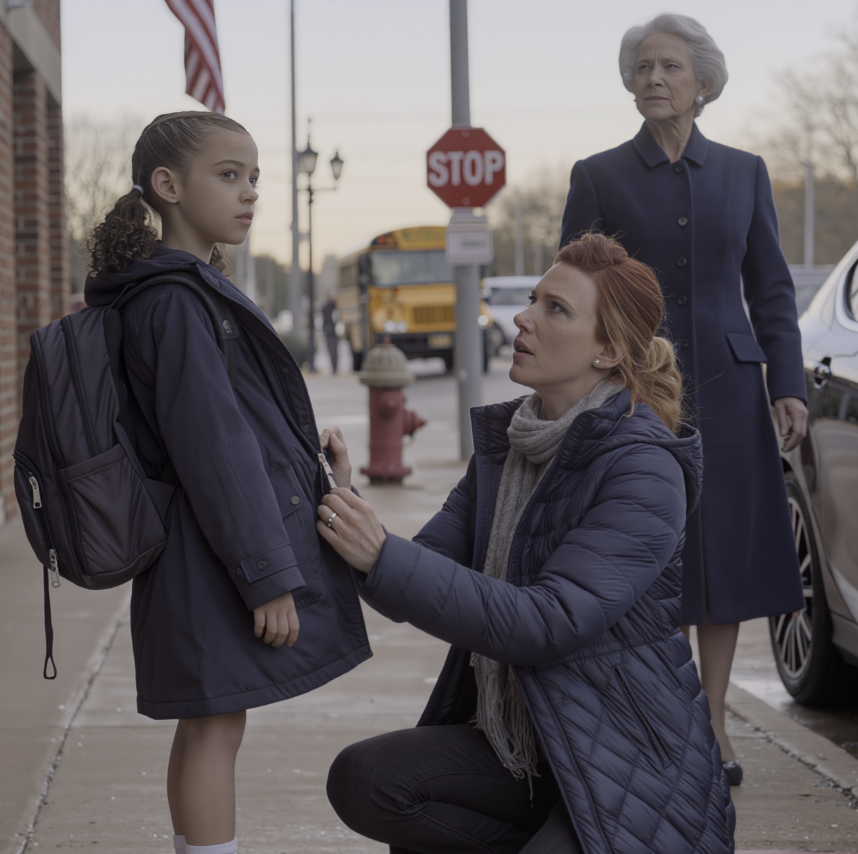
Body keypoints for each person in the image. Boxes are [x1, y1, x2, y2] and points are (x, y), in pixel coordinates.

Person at [316, 233, 735, 854]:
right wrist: (345, 510)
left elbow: (547, 622)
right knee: (366, 780)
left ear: (609, 351)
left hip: (628, 759)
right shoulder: (514, 442)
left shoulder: (644, 469)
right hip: (532, 741)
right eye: (533, 299)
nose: (523, 317)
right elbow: (416, 575)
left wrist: (381, 553)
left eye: (554, 309)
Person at [83, 111, 370, 854]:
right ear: (167, 185)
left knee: (210, 722)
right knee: (214, 727)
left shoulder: (176, 290)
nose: (249, 194)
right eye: (229, 175)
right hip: (209, 554)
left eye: (254, 178)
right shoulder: (176, 301)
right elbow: (214, 449)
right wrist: (266, 577)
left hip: (197, 547)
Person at [558, 13, 808, 786]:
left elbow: (770, 288)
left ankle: (713, 722)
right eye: (642, 68)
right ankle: (653, 718)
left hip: (732, 394)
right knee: (647, 548)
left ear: (703, 83)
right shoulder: (597, 175)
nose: (653, 79)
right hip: (635, 390)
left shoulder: (745, 171)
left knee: (723, 556)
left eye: (668, 67)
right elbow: (571, 287)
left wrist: (788, 385)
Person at [321, 291, 339, 374]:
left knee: (335, 351)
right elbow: (323, 320)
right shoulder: (325, 307)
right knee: (330, 350)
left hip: (335, 332)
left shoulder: (335, 306)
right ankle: (333, 368)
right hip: (328, 331)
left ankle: (335, 367)